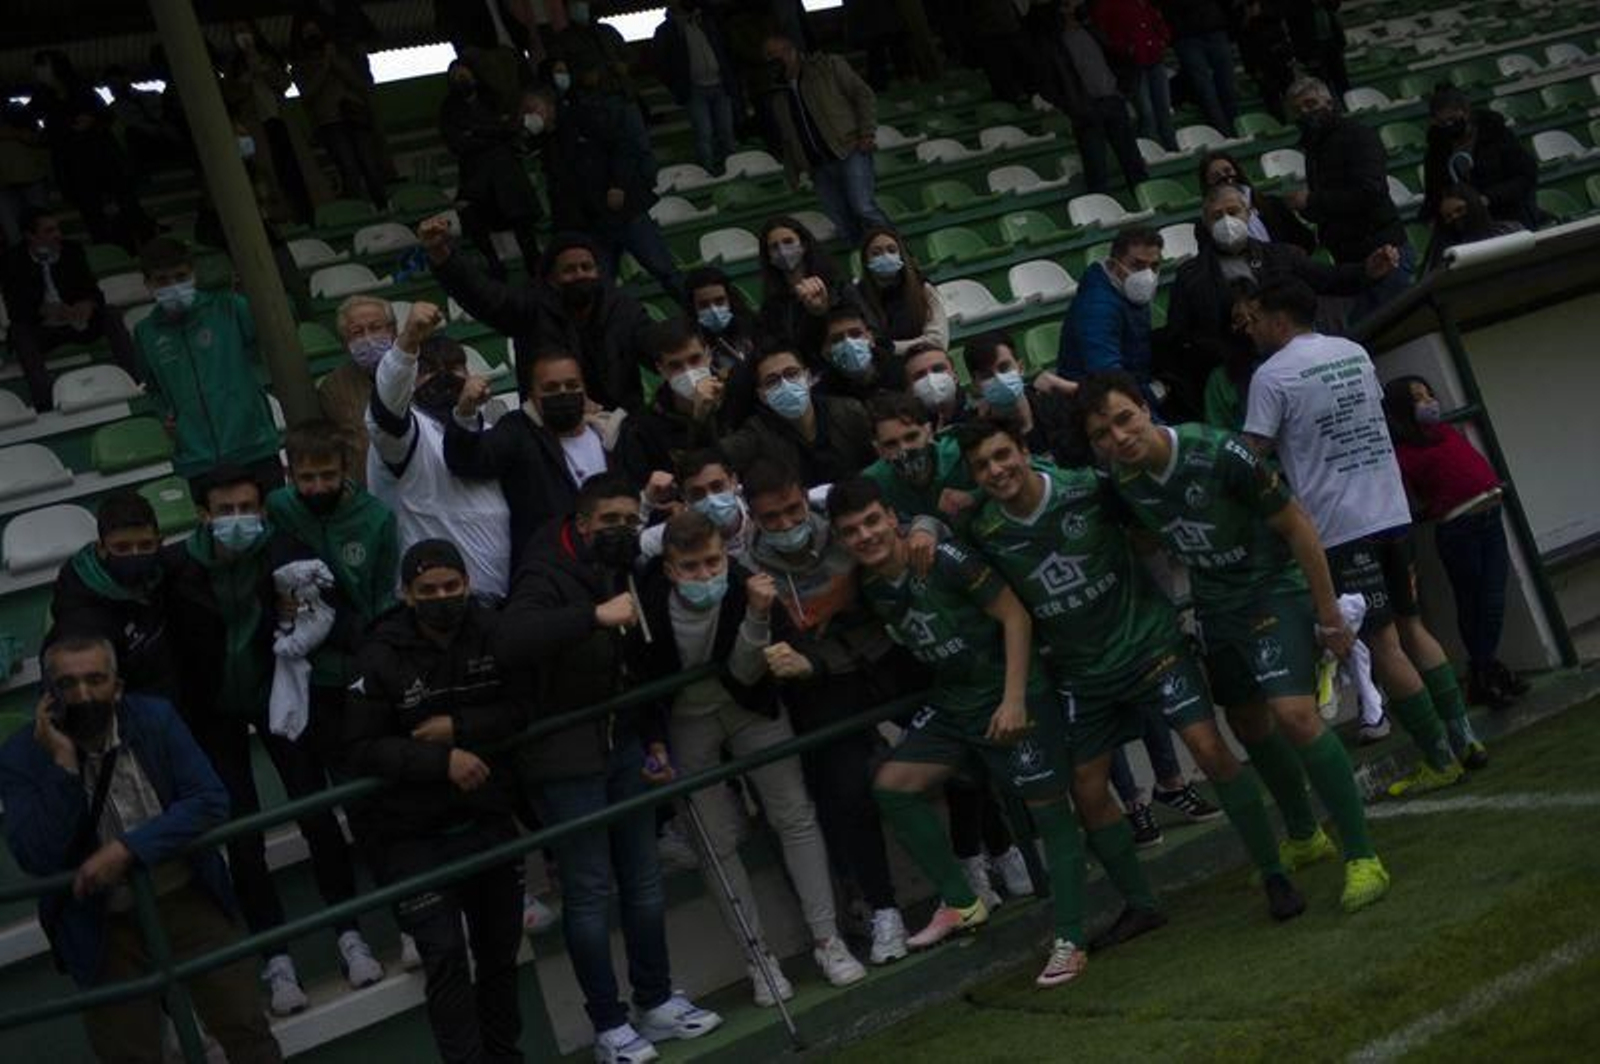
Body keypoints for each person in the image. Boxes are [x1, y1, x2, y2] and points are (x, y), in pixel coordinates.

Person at [960, 420, 1308, 939]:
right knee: (1087, 787)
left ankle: (1275, 873)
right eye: (982, 465)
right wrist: (924, 524)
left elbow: (1153, 516)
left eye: (1003, 455)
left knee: (1209, 747)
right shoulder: (983, 528)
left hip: (1151, 646)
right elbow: (941, 543)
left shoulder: (1087, 489)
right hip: (1082, 672)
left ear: (1026, 451)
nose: (997, 470)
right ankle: (1141, 904)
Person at [1079, 371, 1395, 912]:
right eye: (1102, 433)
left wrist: (1327, 613)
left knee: (1294, 714)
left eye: (1124, 418)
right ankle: (1303, 835)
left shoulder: (1218, 451)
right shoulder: (1125, 484)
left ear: (1144, 407)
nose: (1118, 437)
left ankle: (1364, 857)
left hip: (1273, 589)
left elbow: (1297, 525)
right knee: (1248, 722)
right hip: (1216, 605)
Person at [827, 478, 1093, 986]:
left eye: (872, 521)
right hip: (954, 706)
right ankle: (962, 901)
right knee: (892, 786)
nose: (865, 535)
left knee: (1050, 813)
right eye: (851, 531)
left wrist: (1015, 698)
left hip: (1011, 694)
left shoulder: (943, 558)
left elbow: (1015, 615)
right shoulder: (872, 586)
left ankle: (1071, 939)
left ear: (891, 517)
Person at [500, 474, 724, 1064]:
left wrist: (652, 739)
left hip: (625, 742)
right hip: (563, 756)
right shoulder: (543, 571)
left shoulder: (624, 565)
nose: (621, 531)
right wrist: (593, 616)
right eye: (609, 522)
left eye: (631, 521)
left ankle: (655, 999)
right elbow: (513, 638)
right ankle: (608, 1025)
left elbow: (636, 663)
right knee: (591, 891)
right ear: (581, 524)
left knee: (644, 880)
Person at [1240, 279, 1486, 786]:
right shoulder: (1353, 352)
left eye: (1256, 318)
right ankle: (1465, 738)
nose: (1252, 329)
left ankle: (1439, 761)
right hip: (1392, 512)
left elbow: (1250, 452)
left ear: (1278, 319)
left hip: (1341, 526)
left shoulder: (1272, 376)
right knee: (1415, 627)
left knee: (1384, 643)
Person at [0, 635, 283, 1064]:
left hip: (185, 895)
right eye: (67, 683)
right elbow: (35, 855)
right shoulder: (22, 756)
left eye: (95, 680)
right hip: (99, 924)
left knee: (245, 1024)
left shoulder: (153, 719)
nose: (82, 694)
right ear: (48, 693)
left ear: (117, 685)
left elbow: (208, 799)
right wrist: (62, 767)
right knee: (129, 1053)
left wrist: (128, 850)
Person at [168, 466, 383, 1014]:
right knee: (242, 835)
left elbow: (328, 613)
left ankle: (348, 934)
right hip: (212, 713)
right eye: (225, 510)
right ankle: (276, 960)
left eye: (247, 508)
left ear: (263, 509)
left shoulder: (285, 551)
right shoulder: (175, 569)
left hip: (279, 697)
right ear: (203, 515)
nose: (237, 519)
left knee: (317, 814)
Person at [631, 510, 869, 1003]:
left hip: (750, 706)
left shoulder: (746, 585)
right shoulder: (645, 601)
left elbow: (746, 674)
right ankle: (758, 959)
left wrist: (759, 615)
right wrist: (654, 742)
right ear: (671, 570)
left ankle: (829, 940)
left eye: (713, 562)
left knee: (794, 815)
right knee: (714, 842)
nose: (705, 575)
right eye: (691, 567)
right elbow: (640, 678)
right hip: (685, 720)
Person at [345, 539, 529, 1064]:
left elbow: (523, 706)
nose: (443, 597)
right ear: (407, 595)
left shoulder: (492, 630)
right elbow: (358, 749)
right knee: (446, 959)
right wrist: (441, 761)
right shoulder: (379, 653)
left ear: (468, 584)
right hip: (411, 836)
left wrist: (461, 728)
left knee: (499, 954)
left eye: (452, 586)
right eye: (429, 590)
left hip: (488, 817)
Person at [738, 458, 917, 965]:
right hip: (824, 682)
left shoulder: (843, 524)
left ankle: (987, 855)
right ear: (752, 517)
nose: (784, 524)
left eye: (792, 510)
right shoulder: (748, 569)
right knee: (848, 790)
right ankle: (885, 911)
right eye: (770, 518)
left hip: (886, 655)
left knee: (957, 731)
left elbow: (907, 525)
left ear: (804, 498)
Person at [1164, 184, 1399, 415]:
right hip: (1238, 376)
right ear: (1206, 223)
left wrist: (1367, 270)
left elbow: (1329, 279)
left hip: (1297, 363)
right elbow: (1180, 335)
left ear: (1248, 214)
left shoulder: (1282, 255)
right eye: (1217, 216)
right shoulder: (1190, 275)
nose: (1226, 220)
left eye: (1233, 211)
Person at [1382, 375, 1528, 711]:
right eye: (1418, 398)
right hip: (1460, 526)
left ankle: (1484, 670)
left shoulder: (1444, 432)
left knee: (1491, 598)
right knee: (1477, 600)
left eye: (1428, 394)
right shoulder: (1404, 453)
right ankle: (1487, 672)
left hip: (1490, 516)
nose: (1429, 402)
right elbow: (1415, 497)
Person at [266, 419, 399, 759]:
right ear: (289, 473)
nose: (319, 486)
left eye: (328, 475)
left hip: (360, 659)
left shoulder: (376, 518)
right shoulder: (279, 508)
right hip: (307, 669)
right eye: (307, 478)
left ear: (346, 469)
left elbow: (384, 594)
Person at [421, 220, 653, 413]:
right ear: (551, 278)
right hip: (552, 430)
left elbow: (656, 346)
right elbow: (481, 294)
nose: (580, 275)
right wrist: (442, 254)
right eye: (569, 270)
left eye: (586, 267)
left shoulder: (624, 309)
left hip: (622, 425)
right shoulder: (530, 307)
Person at [366, 302, 513, 599]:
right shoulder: (406, 432)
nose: (444, 378)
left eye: (455, 368)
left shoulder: (486, 429)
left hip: (499, 605)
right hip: (432, 605)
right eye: (429, 370)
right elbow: (386, 407)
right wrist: (408, 342)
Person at [446, 346, 644, 565]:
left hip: (617, 567)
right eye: (551, 388)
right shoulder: (518, 432)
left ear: (584, 388)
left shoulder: (614, 436)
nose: (563, 392)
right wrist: (465, 413)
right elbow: (468, 461)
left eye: (571, 385)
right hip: (552, 571)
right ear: (532, 394)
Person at [133, 237, 282, 496]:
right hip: (197, 459)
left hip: (253, 445)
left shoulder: (230, 308)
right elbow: (152, 388)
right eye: (162, 280)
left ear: (193, 273)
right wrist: (166, 417)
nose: (173, 286)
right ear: (148, 285)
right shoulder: (146, 332)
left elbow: (271, 341)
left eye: (180, 276)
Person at [521, 85, 683, 298]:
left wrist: (619, 184)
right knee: (601, 289)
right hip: (592, 224)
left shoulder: (583, 118)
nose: (530, 115)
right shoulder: (546, 144)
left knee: (664, 270)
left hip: (623, 211)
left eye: (534, 108)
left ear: (549, 106)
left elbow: (622, 147)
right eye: (525, 112)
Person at [1282, 76, 1410, 323]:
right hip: (1351, 263)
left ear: (1329, 102)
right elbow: (1328, 207)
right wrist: (1305, 207)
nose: (1305, 113)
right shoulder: (1313, 148)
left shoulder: (1358, 136)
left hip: (1384, 252)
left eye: (1311, 104)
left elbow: (1371, 192)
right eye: (1298, 110)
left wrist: (1312, 201)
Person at [0, 209, 141, 412]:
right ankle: (46, 403)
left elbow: (94, 292)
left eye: (57, 229)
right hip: (43, 328)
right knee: (19, 332)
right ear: (30, 236)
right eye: (49, 231)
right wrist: (42, 311)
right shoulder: (13, 260)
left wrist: (88, 304)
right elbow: (15, 310)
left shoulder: (71, 250)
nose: (57, 235)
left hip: (77, 320)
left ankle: (135, 380)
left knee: (110, 313)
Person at [47, 492, 181, 701]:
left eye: (146, 545)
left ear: (159, 543)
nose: (135, 554)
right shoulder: (79, 613)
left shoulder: (167, 572)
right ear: (101, 549)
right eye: (122, 548)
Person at [762, 30, 888, 243]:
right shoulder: (778, 95)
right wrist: (793, 172)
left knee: (863, 207)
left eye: (777, 55)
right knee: (842, 223)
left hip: (849, 149)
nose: (774, 61)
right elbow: (788, 138)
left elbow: (862, 94)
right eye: (769, 58)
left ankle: (898, 251)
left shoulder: (827, 67)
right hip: (817, 165)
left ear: (791, 50)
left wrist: (867, 132)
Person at [28, 50, 155, 248]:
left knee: (126, 201)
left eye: (43, 66)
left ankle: (145, 240)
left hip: (100, 154)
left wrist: (92, 120)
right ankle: (107, 247)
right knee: (91, 210)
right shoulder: (42, 96)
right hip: (73, 162)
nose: (39, 71)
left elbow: (106, 115)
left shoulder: (80, 87)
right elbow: (35, 125)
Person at [438, 58, 542, 279]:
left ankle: (537, 274)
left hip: (508, 175)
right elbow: (458, 144)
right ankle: (495, 268)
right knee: (471, 216)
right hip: (475, 179)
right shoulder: (448, 110)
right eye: (455, 76)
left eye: (463, 74)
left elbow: (510, 128)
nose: (461, 79)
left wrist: (476, 132)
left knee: (525, 232)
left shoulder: (493, 99)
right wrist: (495, 133)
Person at [719, 343, 876, 487]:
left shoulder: (848, 412)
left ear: (808, 377)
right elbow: (714, 461)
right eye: (772, 381)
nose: (785, 384)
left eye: (792, 374)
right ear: (762, 396)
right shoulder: (755, 435)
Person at [219, 23, 326, 225]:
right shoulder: (232, 66)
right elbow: (230, 96)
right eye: (237, 33)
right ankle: (284, 217)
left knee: (297, 171)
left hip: (281, 122)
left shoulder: (268, 56)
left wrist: (263, 68)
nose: (243, 37)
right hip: (256, 128)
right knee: (270, 175)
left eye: (245, 31)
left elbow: (284, 83)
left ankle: (310, 215)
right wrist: (246, 77)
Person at [1037, 2, 1150, 193]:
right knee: (1096, 169)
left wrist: (1123, 90)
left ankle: (1146, 201)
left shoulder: (1093, 30)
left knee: (1133, 163)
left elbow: (1119, 57)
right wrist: (1072, 106)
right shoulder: (1052, 43)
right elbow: (1046, 84)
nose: (1075, 5)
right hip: (1085, 109)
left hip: (1112, 100)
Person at [291, 14, 389, 212]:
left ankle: (383, 207)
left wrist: (337, 63)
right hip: (329, 122)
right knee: (348, 168)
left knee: (369, 165)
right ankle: (358, 212)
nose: (312, 35)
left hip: (354, 114)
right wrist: (326, 66)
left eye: (315, 30)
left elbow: (360, 84)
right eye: (307, 32)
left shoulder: (342, 53)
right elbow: (307, 94)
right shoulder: (300, 66)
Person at [1057, 228, 1164, 401]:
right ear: (1113, 266)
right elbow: (1109, 378)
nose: (1148, 275)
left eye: (1154, 266)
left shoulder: (1126, 293)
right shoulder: (1096, 307)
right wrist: (1149, 398)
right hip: (1096, 403)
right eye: (1137, 265)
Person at [1421, 84, 1539, 232]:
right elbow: (1432, 195)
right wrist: (1441, 207)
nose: (1448, 126)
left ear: (1466, 113)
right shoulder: (1436, 149)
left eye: (1452, 119)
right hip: (1464, 227)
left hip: (1508, 215)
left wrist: (1485, 199)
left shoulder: (1496, 133)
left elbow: (1525, 177)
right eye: (1442, 123)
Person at [960, 331, 1085, 467]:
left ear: (1020, 368)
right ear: (976, 386)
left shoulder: (1053, 406)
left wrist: (1071, 388)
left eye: (1004, 368)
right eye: (987, 375)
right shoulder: (974, 437)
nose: (999, 379)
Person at [654, 0, 742, 174]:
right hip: (695, 90)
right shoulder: (666, 31)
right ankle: (707, 173)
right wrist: (678, 86)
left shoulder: (707, 21)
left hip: (720, 84)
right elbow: (661, 64)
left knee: (727, 132)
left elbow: (725, 48)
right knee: (704, 135)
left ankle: (734, 169)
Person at [322, 294, 396, 484]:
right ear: (345, 342)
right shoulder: (333, 387)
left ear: (392, 330)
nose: (368, 338)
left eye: (375, 328)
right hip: (370, 489)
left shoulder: (419, 367)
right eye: (357, 332)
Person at [1090, 0, 1178, 152]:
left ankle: (1172, 150)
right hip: (1132, 66)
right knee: (1146, 113)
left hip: (1154, 59)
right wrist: (1126, 49)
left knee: (1163, 109)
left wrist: (1162, 39)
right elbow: (1104, 35)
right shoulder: (1105, 5)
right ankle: (1153, 152)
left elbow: (1156, 18)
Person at [853, 227, 949, 358]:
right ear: (866, 260)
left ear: (901, 255)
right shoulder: (857, 296)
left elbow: (938, 341)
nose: (885, 256)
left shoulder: (923, 288)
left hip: (922, 361)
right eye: (876, 253)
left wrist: (892, 347)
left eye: (892, 250)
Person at [683, 265, 760, 427]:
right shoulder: (689, 348)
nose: (714, 310)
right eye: (704, 305)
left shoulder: (754, 327)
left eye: (719, 301)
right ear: (693, 308)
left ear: (729, 299)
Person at [757, 215, 842, 359]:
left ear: (804, 245)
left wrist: (821, 312)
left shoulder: (836, 286)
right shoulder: (771, 307)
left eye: (788, 242)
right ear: (768, 257)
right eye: (774, 247)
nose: (783, 250)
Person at [1197, 150, 1315, 253]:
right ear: (1207, 184)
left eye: (1227, 171)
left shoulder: (1272, 205)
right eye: (1216, 176)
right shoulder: (1204, 225)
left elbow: (1305, 241)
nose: (1224, 177)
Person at [1158, 0, 1239, 136]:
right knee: (1205, 90)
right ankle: (1225, 134)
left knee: (1227, 85)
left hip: (1211, 27)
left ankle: (1235, 130)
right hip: (1186, 34)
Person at [1422, 183, 1526, 273]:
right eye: (1448, 216)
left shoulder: (1511, 230)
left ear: (1473, 204)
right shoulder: (1445, 252)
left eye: (1459, 210)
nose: (1455, 217)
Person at [816, 304, 899, 402]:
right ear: (825, 351)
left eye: (856, 334)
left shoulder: (899, 371)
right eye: (837, 339)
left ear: (870, 338)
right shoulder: (823, 395)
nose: (849, 342)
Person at [0, 97, 52, 247]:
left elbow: (38, 138)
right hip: (9, 182)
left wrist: (13, 133)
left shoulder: (18, 110)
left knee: (41, 224)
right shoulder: (18, 110)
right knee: (15, 232)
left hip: (30, 176)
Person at [1283, 0, 1349, 98]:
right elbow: (1295, 31)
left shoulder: (1325, 4)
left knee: (1341, 81)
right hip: (1312, 48)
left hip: (1332, 43)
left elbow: (1335, 5)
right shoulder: (1295, 6)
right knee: (1321, 85)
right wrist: (1304, 56)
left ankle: (1347, 105)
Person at [902, 344, 970, 431]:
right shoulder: (909, 432)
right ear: (910, 389)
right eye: (920, 375)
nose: (931, 379)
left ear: (955, 375)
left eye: (938, 369)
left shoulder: (980, 412)